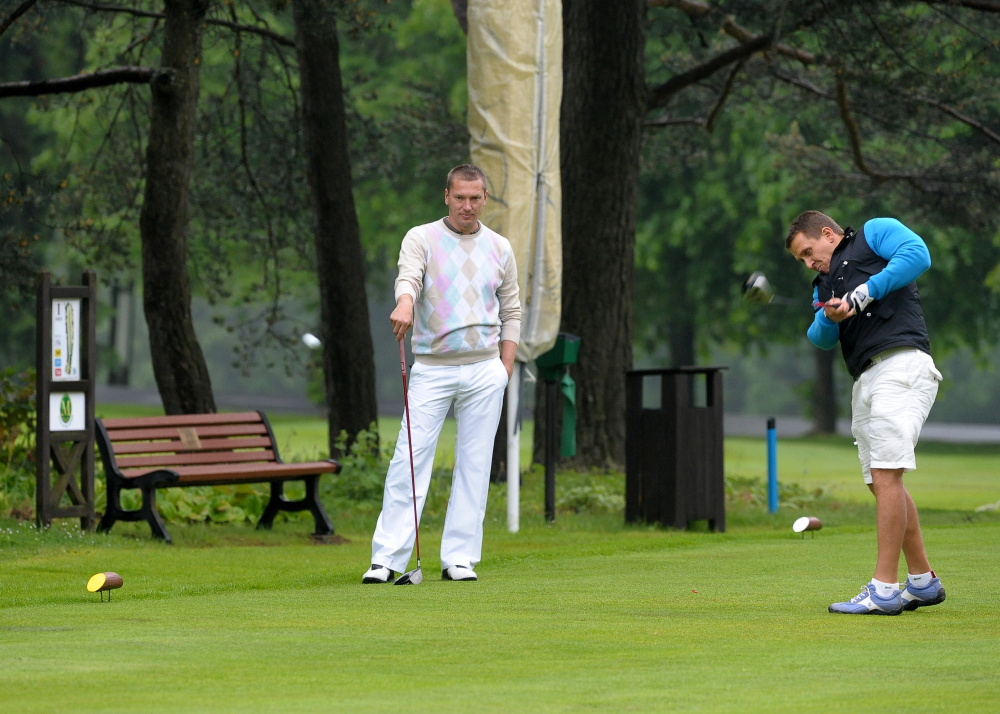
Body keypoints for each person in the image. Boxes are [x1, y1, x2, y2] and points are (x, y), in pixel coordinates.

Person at [362, 164, 520, 584]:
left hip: (485, 368)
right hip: (433, 368)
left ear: (485, 198)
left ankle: (459, 558)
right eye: (460, 197)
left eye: (475, 198)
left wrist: (504, 368)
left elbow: (511, 310)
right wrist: (404, 303)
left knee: (475, 465)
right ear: (446, 196)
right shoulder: (422, 237)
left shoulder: (500, 247)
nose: (467, 205)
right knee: (409, 461)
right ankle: (387, 559)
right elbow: (408, 278)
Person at [785, 210, 946, 615]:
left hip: (902, 364)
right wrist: (830, 316)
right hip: (866, 379)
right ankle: (922, 582)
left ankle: (884, 589)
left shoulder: (874, 233)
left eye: (808, 252)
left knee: (887, 475)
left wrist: (863, 293)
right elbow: (819, 338)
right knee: (880, 482)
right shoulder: (823, 285)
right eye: (801, 260)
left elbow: (918, 255)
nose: (809, 263)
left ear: (827, 234)